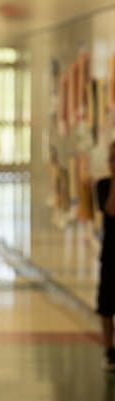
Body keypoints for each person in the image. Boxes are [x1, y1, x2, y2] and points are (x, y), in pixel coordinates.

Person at [96, 140, 115, 371]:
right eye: (111, 158)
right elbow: (111, 209)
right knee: (106, 305)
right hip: (110, 257)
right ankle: (110, 349)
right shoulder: (103, 186)